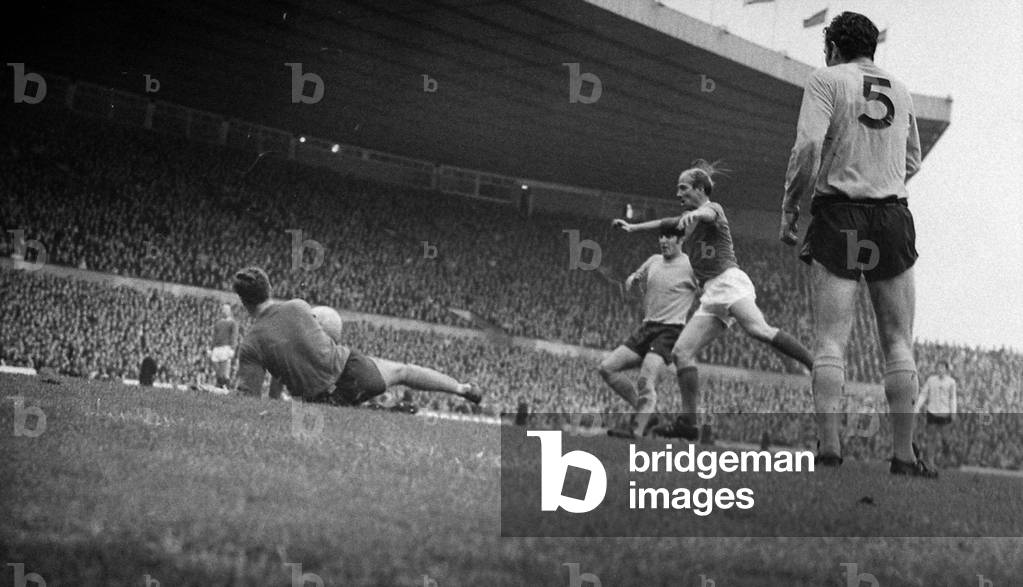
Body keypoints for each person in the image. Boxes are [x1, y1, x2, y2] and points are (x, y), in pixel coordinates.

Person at [781, 12, 934, 477]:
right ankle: (904, 456)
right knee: (897, 341)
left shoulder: (826, 79)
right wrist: (881, 180)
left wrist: (791, 203)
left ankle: (829, 450)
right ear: (872, 47)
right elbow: (913, 159)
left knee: (831, 339)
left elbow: (807, 146)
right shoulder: (900, 88)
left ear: (832, 48)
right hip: (890, 216)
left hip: (839, 213)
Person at [613, 160, 814, 440]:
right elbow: (664, 223)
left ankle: (814, 364)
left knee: (758, 329)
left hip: (729, 282)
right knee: (681, 352)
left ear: (699, 188)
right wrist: (633, 228)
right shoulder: (686, 222)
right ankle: (689, 423)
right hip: (711, 293)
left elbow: (708, 212)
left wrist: (696, 215)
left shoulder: (712, 209)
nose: (678, 194)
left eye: (683, 188)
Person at [231, 266, 482, 406]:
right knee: (404, 372)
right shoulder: (298, 306)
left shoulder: (251, 343)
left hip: (322, 400)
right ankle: (462, 388)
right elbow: (321, 336)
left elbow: (248, 398)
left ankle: (382, 409)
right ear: (270, 289)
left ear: (243, 302)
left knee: (347, 407)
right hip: (354, 372)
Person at [601, 225, 698, 439]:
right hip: (647, 327)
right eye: (661, 236)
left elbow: (708, 290)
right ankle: (647, 413)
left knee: (646, 379)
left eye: (669, 237)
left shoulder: (691, 267)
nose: (664, 241)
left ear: (680, 240)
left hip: (670, 331)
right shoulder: (654, 260)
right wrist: (632, 280)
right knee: (607, 368)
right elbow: (635, 279)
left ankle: (635, 430)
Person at [914, 360, 957, 466]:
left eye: (942, 367)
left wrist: (953, 412)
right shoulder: (931, 380)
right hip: (932, 412)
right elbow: (924, 394)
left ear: (946, 370)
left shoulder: (951, 382)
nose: (940, 369)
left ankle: (946, 459)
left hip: (945, 413)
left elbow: (953, 398)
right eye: (938, 367)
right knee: (931, 438)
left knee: (945, 439)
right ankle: (931, 461)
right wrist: (917, 407)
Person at [208, 303, 239, 387]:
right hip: (217, 347)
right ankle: (223, 381)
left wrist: (232, 348)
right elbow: (214, 337)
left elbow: (234, 336)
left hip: (226, 347)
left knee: (224, 366)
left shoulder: (232, 323)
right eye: (223, 310)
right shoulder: (218, 323)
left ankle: (222, 384)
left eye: (226, 310)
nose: (224, 311)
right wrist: (211, 349)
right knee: (215, 363)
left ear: (230, 311)